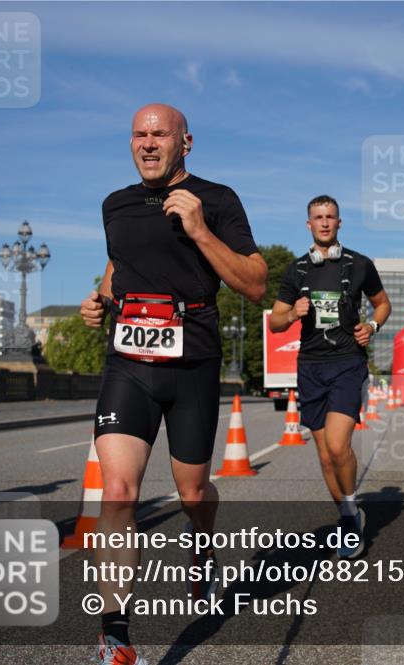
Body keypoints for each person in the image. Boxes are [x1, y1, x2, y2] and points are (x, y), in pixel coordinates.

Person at [79, 104, 267, 664]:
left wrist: (200, 229)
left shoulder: (219, 199)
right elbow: (118, 266)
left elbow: (256, 284)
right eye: (139, 134)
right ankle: (115, 634)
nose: (149, 142)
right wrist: (101, 301)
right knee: (117, 493)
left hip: (193, 364)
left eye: (160, 134)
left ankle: (202, 548)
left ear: (186, 142)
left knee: (192, 492)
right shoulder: (115, 204)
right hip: (128, 362)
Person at [270, 195, 391, 558]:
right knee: (324, 457)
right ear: (308, 224)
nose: (324, 223)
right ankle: (347, 514)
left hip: (347, 363)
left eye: (330, 217)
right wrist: (292, 313)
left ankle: (352, 513)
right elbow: (276, 321)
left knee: (339, 446)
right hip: (310, 367)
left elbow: (382, 303)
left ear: (339, 222)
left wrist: (371, 324)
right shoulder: (296, 271)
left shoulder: (360, 265)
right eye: (318, 218)